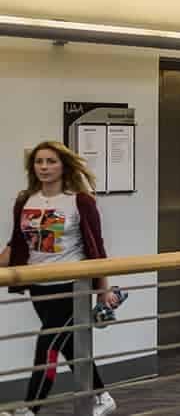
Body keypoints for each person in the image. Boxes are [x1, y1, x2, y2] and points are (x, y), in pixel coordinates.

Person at [2, 141, 119, 415]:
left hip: (72, 287)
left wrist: (103, 289)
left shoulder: (79, 200)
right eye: (39, 161)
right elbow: (16, 245)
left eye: (51, 161)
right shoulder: (25, 200)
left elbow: (96, 248)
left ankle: (30, 410)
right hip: (39, 288)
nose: (44, 167)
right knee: (67, 346)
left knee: (48, 346)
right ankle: (102, 396)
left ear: (63, 165)